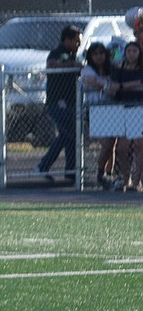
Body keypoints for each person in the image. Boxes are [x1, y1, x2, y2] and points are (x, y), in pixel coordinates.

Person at [37, 25, 82, 184]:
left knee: (69, 135)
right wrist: (72, 66)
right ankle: (43, 165)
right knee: (71, 133)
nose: (78, 45)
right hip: (58, 103)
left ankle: (70, 172)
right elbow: (52, 64)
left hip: (70, 102)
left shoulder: (72, 55)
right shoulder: (58, 54)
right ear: (67, 40)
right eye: (76, 41)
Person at [80, 41, 117, 188]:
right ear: (90, 56)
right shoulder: (87, 70)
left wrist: (106, 84)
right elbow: (92, 82)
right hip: (94, 110)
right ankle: (100, 174)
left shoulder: (112, 69)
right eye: (95, 54)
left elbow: (112, 88)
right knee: (106, 143)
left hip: (111, 110)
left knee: (112, 144)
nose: (99, 57)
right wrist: (107, 84)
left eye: (101, 53)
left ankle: (109, 174)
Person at [108, 40, 143, 190]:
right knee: (122, 148)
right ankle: (126, 178)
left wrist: (123, 86)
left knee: (138, 145)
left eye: (134, 51)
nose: (131, 54)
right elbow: (112, 87)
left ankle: (137, 181)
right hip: (121, 109)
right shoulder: (119, 68)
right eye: (129, 51)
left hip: (138, 108)